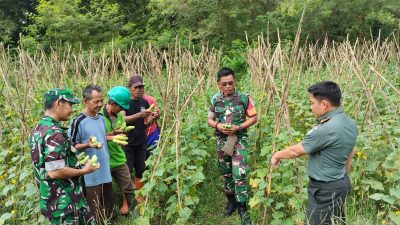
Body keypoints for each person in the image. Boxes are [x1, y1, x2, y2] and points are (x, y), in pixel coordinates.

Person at [271, 81, 358, 225]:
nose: (311, 107)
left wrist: (276, 155)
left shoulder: (326, 129)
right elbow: (350, 153)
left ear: (324, 104)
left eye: (312, 103)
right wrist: (343, 177)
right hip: (341, 183)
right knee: (335, 221)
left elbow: (295, 151)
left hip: (325, 190)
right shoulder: (349, 124)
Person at [29, 88, 99, 225]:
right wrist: (85, 170)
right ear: (58, 104)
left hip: (54, 201)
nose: (72, 109)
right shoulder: (55, 133)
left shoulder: (39, 128)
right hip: (66, 204)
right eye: (70, 105)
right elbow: (55, 171)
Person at [207, 67, 257, 225]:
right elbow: (210, 119)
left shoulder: (244, 98)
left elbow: (254, 117)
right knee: (226, 171)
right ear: (218, 85)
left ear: (235, 82)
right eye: (225, 84)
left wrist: (240, 127)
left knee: (239, 171)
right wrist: (217, 126)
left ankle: (242, 205)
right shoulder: (215, 99)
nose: (228, 86)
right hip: (222, 140)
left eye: (231, 83)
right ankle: (231, 201)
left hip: (239, 138)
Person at [68, 85, 114, 223]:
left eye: (101, 101)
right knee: (93, 206)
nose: (100, 104)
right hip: (90, 172)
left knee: (107, 203)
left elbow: (102, 136)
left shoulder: (100, 118)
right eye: (96, 102)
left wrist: (114, 135)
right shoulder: (78, 121)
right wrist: (87, 145)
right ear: (85, 101)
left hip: (105, 168)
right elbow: (72, 146)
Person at [100, 86, 136, 215]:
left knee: (129, 187)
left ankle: (134, 215)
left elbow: (120, 130)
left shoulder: (119, 116)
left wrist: (120, 132)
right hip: (103, 161)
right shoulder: (98, 117)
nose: (121, 110)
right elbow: (93, 139)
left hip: (119, 158)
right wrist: (113, 136)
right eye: (120, 106)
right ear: (111, 103)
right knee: (105, 191)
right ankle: (108, 216)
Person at [121, 75, 155, 203]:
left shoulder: (144, 102)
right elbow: (122, 119)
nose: (139, 90)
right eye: (136, 87)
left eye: (141, 87)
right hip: (127, 143)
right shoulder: (124, 103)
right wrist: (139, 115)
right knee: (127, 172)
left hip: (141, 142)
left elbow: (144, 124)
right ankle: (126, 201)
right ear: (129, 88)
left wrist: (152, 118)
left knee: (141, 169)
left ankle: (139, 196)